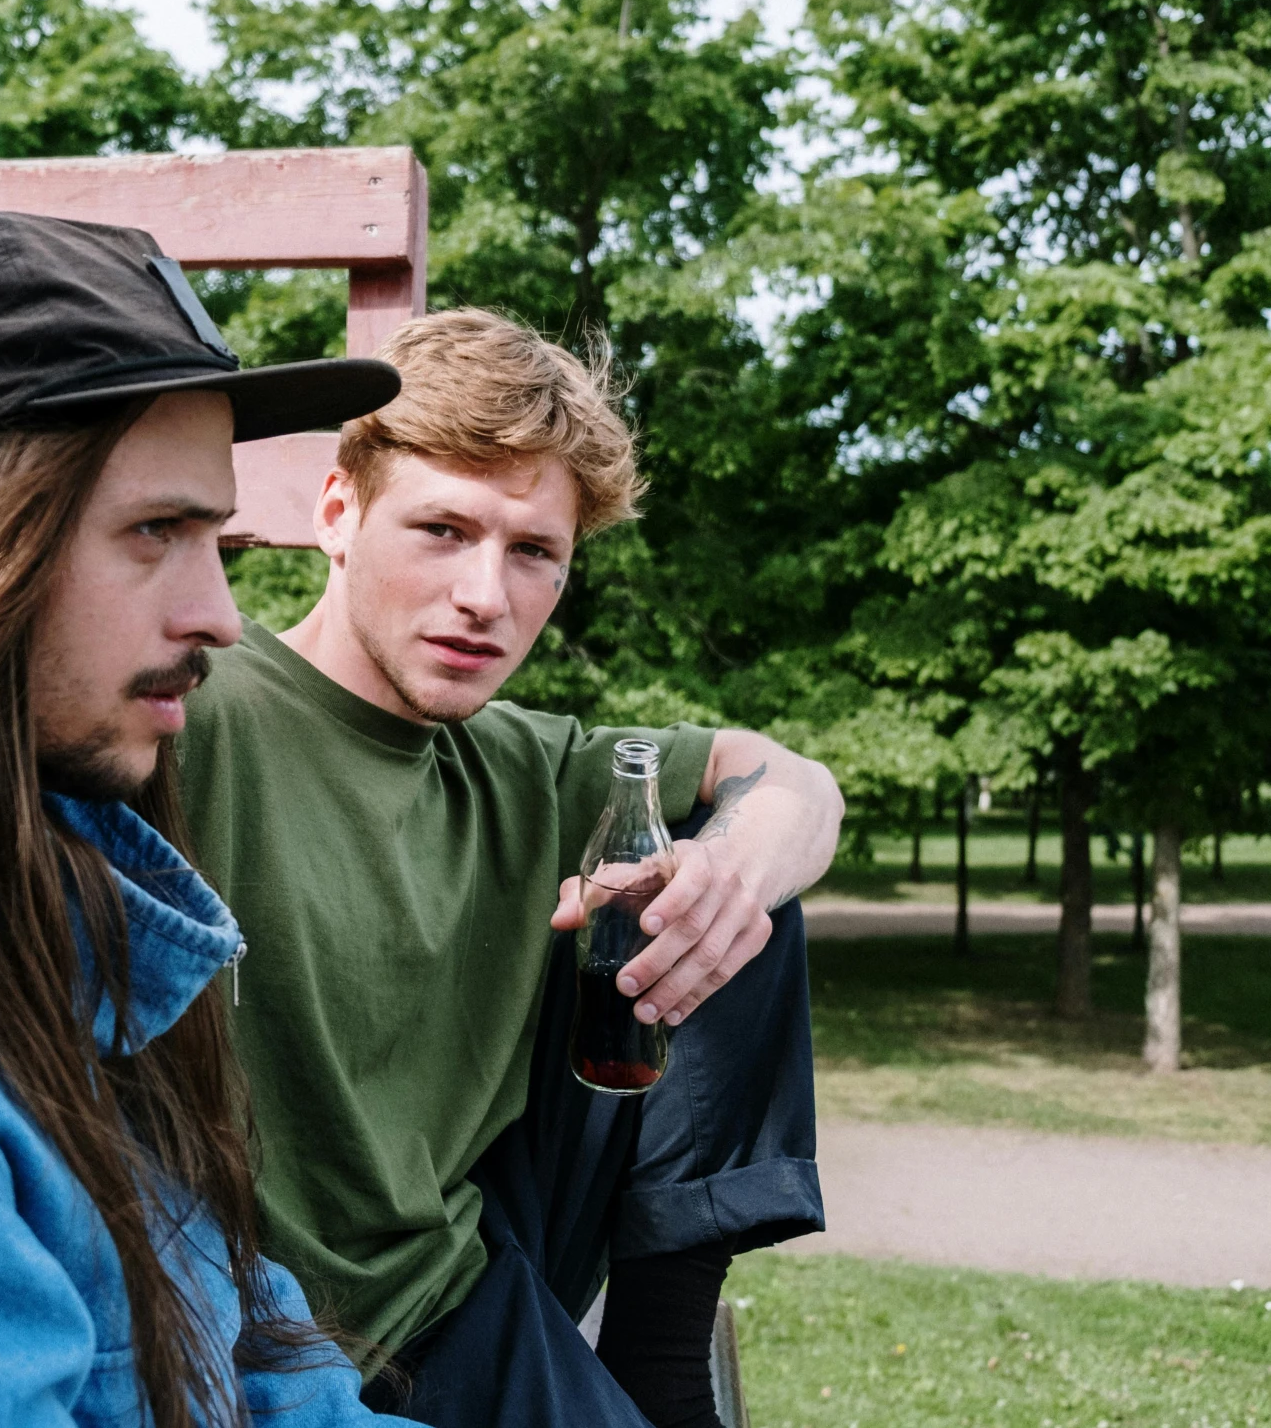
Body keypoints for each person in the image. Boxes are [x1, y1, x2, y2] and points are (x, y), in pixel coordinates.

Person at [178, 308, 846, 1428]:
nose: (487, 595)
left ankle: (661, 1367)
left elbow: (796, 781)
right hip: (253, 1314)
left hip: (452, 1283)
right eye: (443, 529)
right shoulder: (197, 698)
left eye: (534, 551)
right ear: (336, 514)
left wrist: (731, 868)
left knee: (731, 891)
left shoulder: (523, 761)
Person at [0, 210, 416, 1428]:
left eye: (216, 536)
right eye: (153, 531)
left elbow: (269, 1361)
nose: (218, 615)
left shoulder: (87, 925)